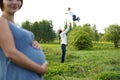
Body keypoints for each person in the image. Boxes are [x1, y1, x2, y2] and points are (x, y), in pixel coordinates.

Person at [0, 0, 47, 80]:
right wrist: (40, 69)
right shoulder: (1, 22)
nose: (15, 2)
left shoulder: (15, 25)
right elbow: (11, 54)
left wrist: (33, 44)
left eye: (18, 0)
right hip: (16, 75)